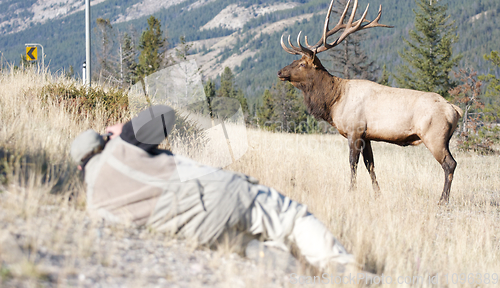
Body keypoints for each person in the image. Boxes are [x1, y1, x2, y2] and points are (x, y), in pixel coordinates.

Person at [70, 105, 357, 271]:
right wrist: (124, 130)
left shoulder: (96, 203)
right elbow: (164, 115)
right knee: (290, 218)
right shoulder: (121, 145)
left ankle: (303, 275)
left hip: (201, 232)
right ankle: (343, 272)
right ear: (101, 142)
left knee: (263, 253)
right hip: (218, 193)